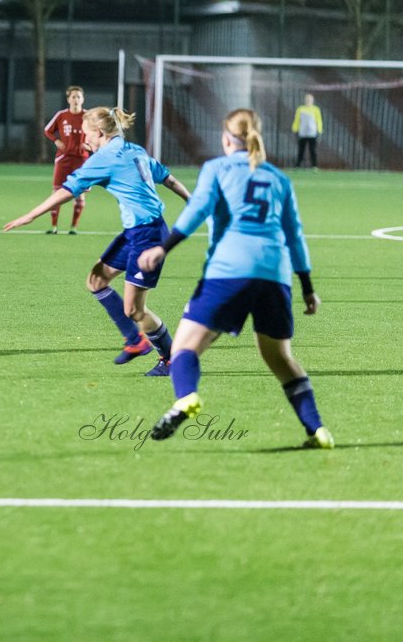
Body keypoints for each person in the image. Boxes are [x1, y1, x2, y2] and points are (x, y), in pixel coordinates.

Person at [138, 109, 332, 448]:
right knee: (280, 358)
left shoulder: (216, 168)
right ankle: (318, 430)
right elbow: (295, 236)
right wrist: (308, 289)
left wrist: (163, 249)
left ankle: (186, 398)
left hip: (229, 270)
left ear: (226, 139)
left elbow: (197, 210)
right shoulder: (278, 178)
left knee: (185, 347)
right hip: (275, 276)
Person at [4, 107, 190, 376]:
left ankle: (170, 359)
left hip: (147, 236)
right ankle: (135, 341)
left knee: (134, 310)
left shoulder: (104, 158)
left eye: (86, 134)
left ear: (100, 133)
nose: (84, 139)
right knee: (96, 281)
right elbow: (168, 178)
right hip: (138, 231)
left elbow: (67, 191)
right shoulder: (134, 149)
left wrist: (31, 215)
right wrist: (190, 199)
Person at [41, 85, 88, 235]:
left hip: (81, 160)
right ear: (68, 99)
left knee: (79, 193)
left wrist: (89, 145)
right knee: (57, 192)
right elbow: (47, 130)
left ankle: (73, 227)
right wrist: (56, 140)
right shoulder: (61, 115)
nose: (76, 99)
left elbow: (97, 133)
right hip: (63, 158)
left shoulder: (88, 116)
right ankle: (54, 226)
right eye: (73, 97)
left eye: (78, 97)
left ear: (83, 99)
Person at [292, 93, 322, 168]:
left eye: (310, 99)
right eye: (307, 99)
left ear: (312, 101)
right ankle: (298, 165)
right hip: (302, 133)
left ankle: (314, 165)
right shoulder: (300, 109)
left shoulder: (316, 109)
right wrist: (295, 129)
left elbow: (319, 121)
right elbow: (297, 120)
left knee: (313, 150)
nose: (308, 101)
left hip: (312, 133)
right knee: (301, 150)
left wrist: (319, 131)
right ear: (305, 100)